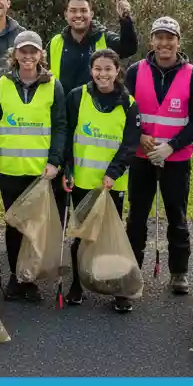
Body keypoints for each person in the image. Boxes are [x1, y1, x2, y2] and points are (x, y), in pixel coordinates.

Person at [124, 16, 193, 295]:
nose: (164, 43)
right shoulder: (135, 72)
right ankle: (133, 269)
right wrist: (139, 136)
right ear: (151, 41)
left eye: (170, 38)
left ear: (178, 42)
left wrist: (172, 145)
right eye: (159, 37)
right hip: (141, 156)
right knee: (137, 215)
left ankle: (179, 272)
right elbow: (123, 110)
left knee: (177, 215)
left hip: (176, 158)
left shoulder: (192, 76)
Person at [0, 30, 67, 301]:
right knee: (15, 225)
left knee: (36, 227)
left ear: (41, 54)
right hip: (9, 169)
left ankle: (30, 276)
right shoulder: (2, 84)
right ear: (15, 55)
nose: (28, 56)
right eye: (23, 51)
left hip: (41, 171)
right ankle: (16, 278)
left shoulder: (54, 85)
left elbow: (60, 127)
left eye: (33, 51)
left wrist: (55, 161)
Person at [62, 48, 141, 313]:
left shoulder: (129, 104)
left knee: (110, 237)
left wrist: (113, 173)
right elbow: (67, 134)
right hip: (82, 181)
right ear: (91, 70)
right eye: (98, 69)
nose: (102, 74)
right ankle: (77, 283)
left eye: (108, 69)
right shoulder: (77, 97)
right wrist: (68, 169)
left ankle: (117, 290)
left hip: (111, 185)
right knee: (82, 234)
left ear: (117, 70)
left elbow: (130, 145)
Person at [49, 0, 139, 96]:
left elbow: (129, 48)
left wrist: (125, 19)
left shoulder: (105, 38)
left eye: (83, 11)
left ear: (91, 14)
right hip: (63, 110)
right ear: (66, 15)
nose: (78, 15)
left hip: (96, 110)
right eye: (73, 11)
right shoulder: (55, 42)